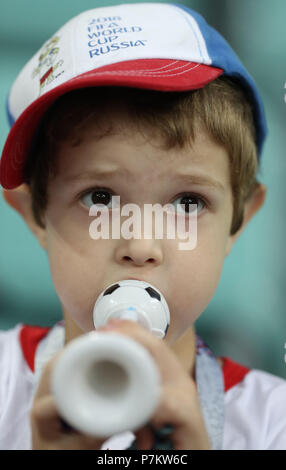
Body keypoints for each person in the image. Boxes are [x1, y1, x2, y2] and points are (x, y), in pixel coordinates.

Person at [0, 2, 285, 451]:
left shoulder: (272, 423)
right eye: (99, 198)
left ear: (238, 221)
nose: (141, 244)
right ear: (34, 215)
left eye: (189, 202)